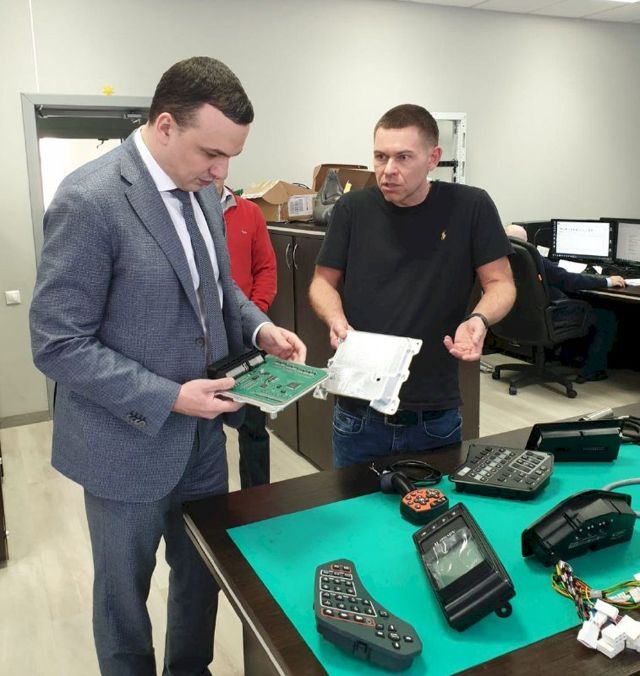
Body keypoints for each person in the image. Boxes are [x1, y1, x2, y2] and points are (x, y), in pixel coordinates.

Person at [29, 56, 306, 676]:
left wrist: (259, 327)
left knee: (201, 574)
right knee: (123, 595)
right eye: (212, 152)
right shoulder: (90, 199)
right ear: (164, 126)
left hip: (203, 440)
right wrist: (170, 396)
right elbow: (56, 342)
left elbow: (219, 287)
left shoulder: (202, 191)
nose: (222, 171)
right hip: (122, 443)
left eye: (231, 156)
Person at [309, 103, 516, 469]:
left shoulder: (470, 206)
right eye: (380, 157)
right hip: (359, 410)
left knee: (432, 505)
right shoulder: (352, 209)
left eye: (403, 157)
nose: (388, 170)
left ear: (433, 158)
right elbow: (322, 283)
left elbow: (501, 283)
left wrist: (479, 319)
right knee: (356, 506)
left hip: (433, 413)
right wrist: (335, 319)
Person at [215, 176, 277, 487]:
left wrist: (255, 314)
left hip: (246, 338)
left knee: (253, 427)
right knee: (205, 429)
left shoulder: (250, 213)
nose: (215, 170)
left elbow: (265, 268)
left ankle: (257, 501)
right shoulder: (186, 209)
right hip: (203, 340)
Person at [505, 224, 625, 382]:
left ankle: (567, 358)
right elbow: (569, 280)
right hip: (547, 315)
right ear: (527, 243)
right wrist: (607, 281)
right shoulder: (531, 258)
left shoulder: (498, 258)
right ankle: (592, 370)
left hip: (516, 316)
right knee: (607, 317)